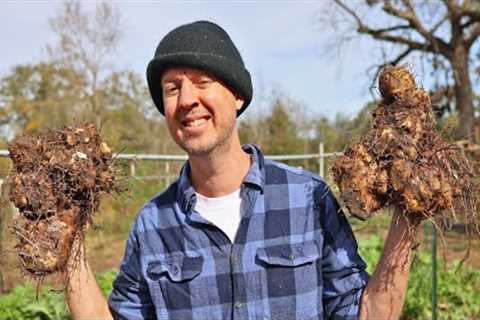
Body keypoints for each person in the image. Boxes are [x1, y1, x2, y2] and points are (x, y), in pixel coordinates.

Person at [65, 21, 423, 320]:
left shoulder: (308, 200)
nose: (187, 100)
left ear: (237, 96)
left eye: (203, 81)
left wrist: (410, 214)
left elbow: (364, 313)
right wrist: (67, 242)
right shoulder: (154, 223)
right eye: (172, 89)